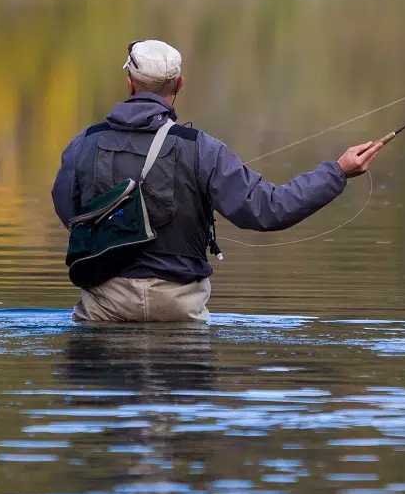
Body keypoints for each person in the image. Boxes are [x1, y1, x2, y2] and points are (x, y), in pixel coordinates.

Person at [51, 39, 384, 324]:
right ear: (179, 85)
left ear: (130, 83)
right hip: (178, 305)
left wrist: (111, 236)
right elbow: (268, 209)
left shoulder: (85, 144)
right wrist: (337, 172)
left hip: (106, 302)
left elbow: (69, 211)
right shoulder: (203, 148)